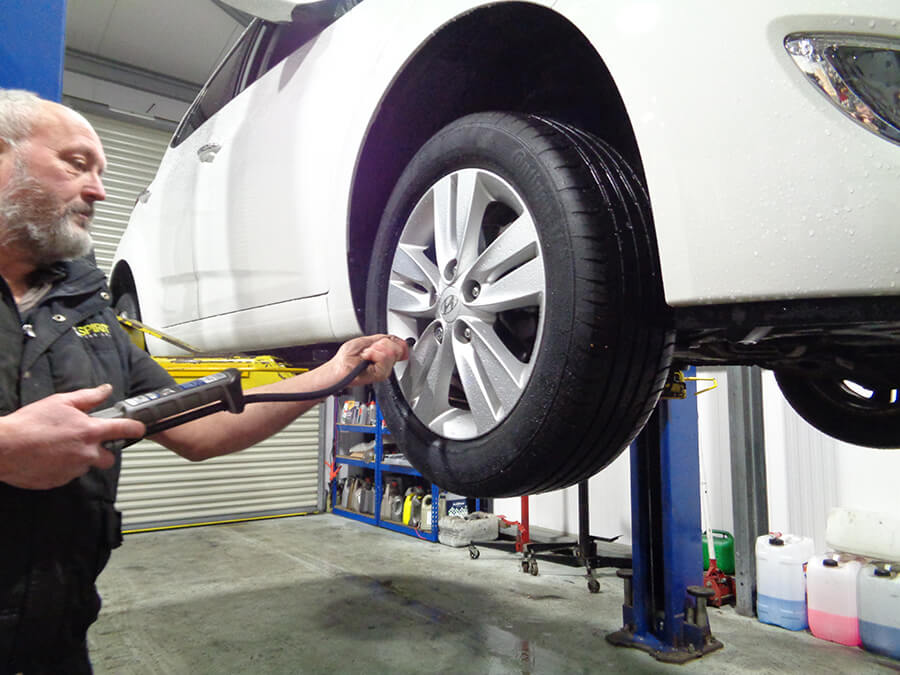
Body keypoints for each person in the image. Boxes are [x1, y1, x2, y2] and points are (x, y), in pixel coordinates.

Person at [0, 89, 408, 673]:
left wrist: (334, 371)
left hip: (55, 641)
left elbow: (204, 426)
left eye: (101, 171)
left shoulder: (88, 316)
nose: (98, 190)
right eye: (76, 163)